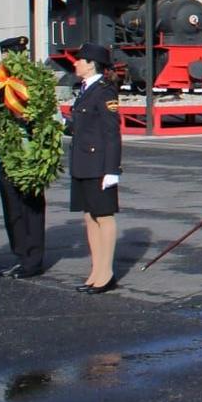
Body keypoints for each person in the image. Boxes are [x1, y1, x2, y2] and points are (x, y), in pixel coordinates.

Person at [0, 36, 50, 279]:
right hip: (7, 153)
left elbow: (44, 115)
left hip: (29, 152)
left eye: (11, 54)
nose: (7, 59)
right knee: (11, 209)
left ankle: (33, 259)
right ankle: (20, 255)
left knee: (31, 208)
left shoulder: (34, 79)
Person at [66, 42, 124, 293]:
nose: (75, 63)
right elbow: (81, 126)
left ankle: (106, 272)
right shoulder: (84, 89)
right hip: (82, 163)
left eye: (79, 60)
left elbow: (112, 133)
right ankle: (96, 270)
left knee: (103, 216)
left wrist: (112, 169)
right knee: (89, 216)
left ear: (91, 64)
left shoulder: (104, 91)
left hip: (98, 163)